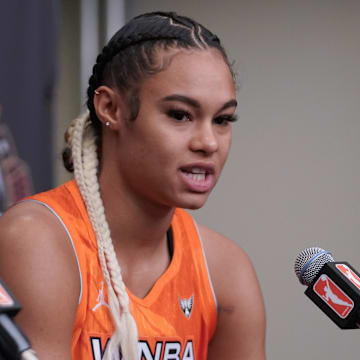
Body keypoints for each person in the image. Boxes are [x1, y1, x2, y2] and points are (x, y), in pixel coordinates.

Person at [0, 11, 266, 360]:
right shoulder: (37, 240)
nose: (209, 142)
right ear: (110, 108)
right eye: (180, 115)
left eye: (222, 120)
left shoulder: (226, 272)